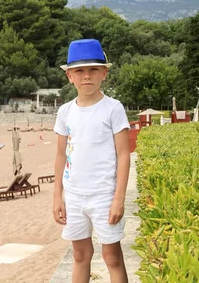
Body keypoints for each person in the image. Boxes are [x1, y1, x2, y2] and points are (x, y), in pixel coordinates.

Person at [52, 38, 131, 283]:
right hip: (74, 196)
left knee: (112, 256)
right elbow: (60, 154)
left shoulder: (113, 108)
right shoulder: (65, 111)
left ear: (104, 73)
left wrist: (119, 198)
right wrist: (57, 196)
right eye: (79, 71)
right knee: (80, 254)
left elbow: (123, 154)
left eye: (93, 69)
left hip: (104, 195)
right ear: (69, 76)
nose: (87, 76)